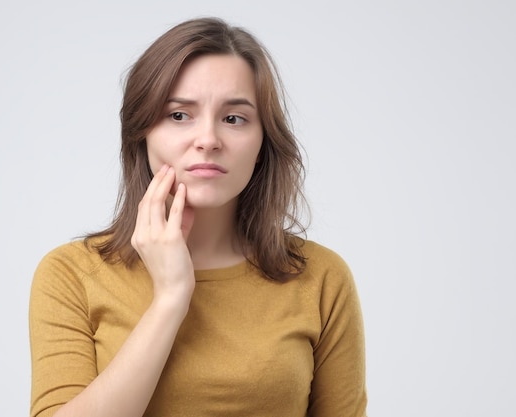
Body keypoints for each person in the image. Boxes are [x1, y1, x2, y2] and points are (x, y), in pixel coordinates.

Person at [29, 16, 367, 417]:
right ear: (142, 134)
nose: (207, 140)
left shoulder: (321, 278)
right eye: (179, 115)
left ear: (263, 142)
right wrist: (171, 298)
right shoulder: (71, 275)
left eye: (233, 118)